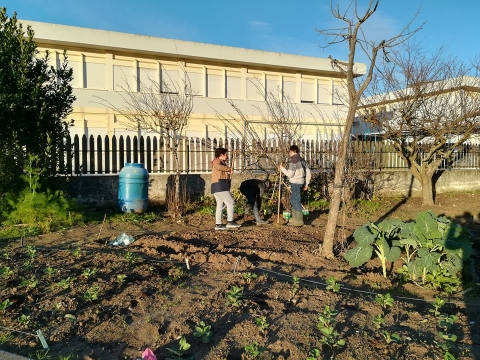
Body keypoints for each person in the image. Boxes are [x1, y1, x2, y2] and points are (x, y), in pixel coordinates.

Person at [279, 145, 311, 226]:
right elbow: (308, 173)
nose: (289, 154)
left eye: (289, 152)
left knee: (296, 201)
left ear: (292, 151)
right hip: (301, 183)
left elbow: (290, 174)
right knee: (294, 200)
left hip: (295, 183)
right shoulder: (303, 160)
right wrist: (306, 184)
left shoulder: (293, 161)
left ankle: (298, 221)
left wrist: (282, 168)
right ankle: (294, 219)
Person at [211, 147, 241, 230]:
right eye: (226, 154)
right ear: (221, 155)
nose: (227, 156)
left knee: (220, 205)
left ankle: (219, 224)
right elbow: (219, 167)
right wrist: (229, 169)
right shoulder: (217, 161)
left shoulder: (221, 162)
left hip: (217, 186)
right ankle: (230, 222)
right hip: (220, 185)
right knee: (230, 202)